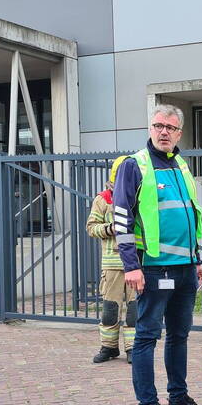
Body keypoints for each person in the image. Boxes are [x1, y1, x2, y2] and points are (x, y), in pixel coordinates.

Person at [112, 104, 202, 405]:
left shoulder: (183, 166)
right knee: (146, 338)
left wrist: (196, 259)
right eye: (158, 126)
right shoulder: (135, 166)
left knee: (179, 336)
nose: (163, 132)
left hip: (185, 268)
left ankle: (178, 398)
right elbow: (121, 218)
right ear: (150, 128)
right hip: (153, 269)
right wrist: (131, 265)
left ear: (179, 133)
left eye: (170, 127)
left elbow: (191, 215)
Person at [86, 155, 136, 364]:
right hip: (113, 265)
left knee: (135, 311)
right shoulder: (102, 199)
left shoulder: (139, 196)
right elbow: (91, 227)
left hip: (136, 264)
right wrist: (110, 229)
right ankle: (109, 347)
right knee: (110, 310)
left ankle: (133, 349)